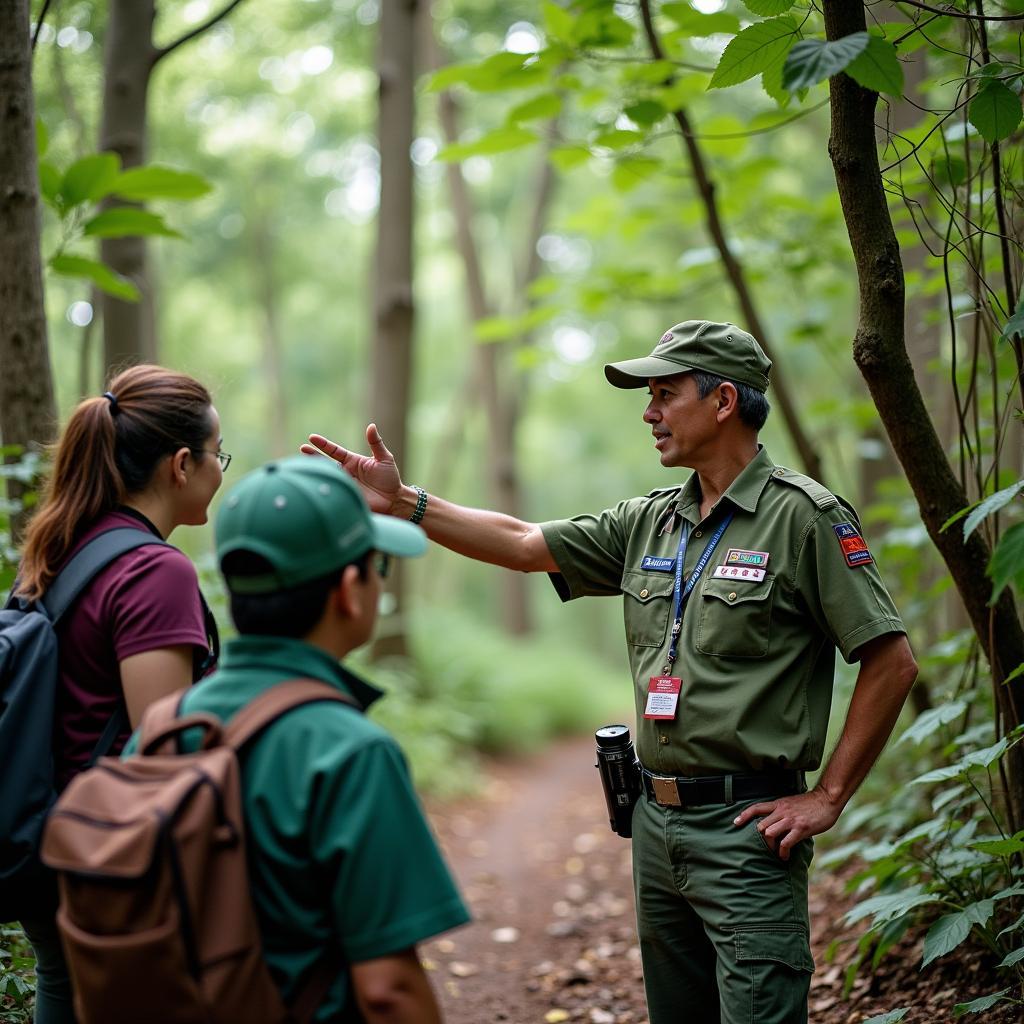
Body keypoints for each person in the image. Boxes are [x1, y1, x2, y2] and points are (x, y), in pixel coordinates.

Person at [304, 320, 919, 1024]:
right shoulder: (651, 522)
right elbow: (523, 543)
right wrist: (407, 503)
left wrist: (830, 795)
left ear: (723, 402)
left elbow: (890, 659)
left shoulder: (803, 518)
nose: (649, 414)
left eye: (664, 395)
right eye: (647, 397)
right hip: (654, 827)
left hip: (748, 831)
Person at [125, 455, 470, 1023]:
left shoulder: (163, 726)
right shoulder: (351, 752)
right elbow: (388, 990)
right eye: (375, 564)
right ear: (348, 590)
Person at [13, 363, 224, 1024]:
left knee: (63, 986)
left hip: (47, 841)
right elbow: (161, 751)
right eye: (221, 454)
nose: (224, 470)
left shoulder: (64, 547)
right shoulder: (154, 570)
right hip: (112, 859)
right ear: (182, 464)